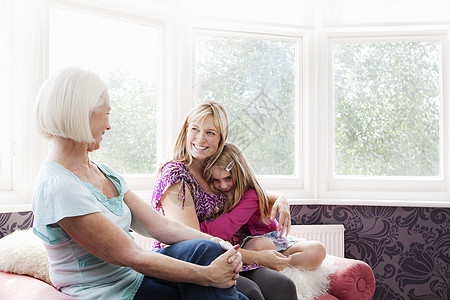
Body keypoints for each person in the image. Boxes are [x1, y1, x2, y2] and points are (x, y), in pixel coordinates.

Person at [31, 67, 247, 300]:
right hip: (110, 292)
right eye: (106, 113)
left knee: (209, 250)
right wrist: (208, 275)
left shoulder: (103, 172)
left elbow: (161, 226)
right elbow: (132, 255)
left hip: (134, 279)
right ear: (82, 114)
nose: (109, 125)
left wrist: (218, 242)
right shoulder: (57, 185)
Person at [151, 100, 298, 300]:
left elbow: (249, 194)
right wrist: (258, 257)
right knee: (251, 293)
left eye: (210, 132)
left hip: (223, 254)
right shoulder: (175, 174)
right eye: (194, 129)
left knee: (283, 285)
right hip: (186, 258)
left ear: (221, 137)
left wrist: (281, 199)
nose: (200, 139)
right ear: (186, 130)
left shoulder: (215, 170)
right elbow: (192, 242)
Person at [204, 143, 327, 270]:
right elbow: (225, 226)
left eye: (228, 178)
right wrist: (191, 230)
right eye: (216, 180)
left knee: (317, 250)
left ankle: (282, 263)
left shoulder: (251, 194)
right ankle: (275, 262)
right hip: (254, 243)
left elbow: (260, 197)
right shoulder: (215, 197)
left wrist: (282, 199)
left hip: (276, 239)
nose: (223, 186)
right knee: (264, 245)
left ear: (239, 174)